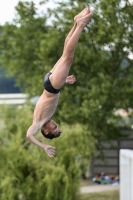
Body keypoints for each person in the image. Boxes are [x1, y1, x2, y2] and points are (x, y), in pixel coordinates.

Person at [26, 7, 93, 157]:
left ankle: (81, 25)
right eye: (57, 127)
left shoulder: (37, 123)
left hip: (52, 86)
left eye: (54, 128)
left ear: (46, 131)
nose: (55, 125)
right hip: (53, 83)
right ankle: (76, 23)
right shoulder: (45, 118)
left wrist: (43, 146)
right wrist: (64, 80)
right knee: (65, 54)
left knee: (68, 57)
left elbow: (28, 136)